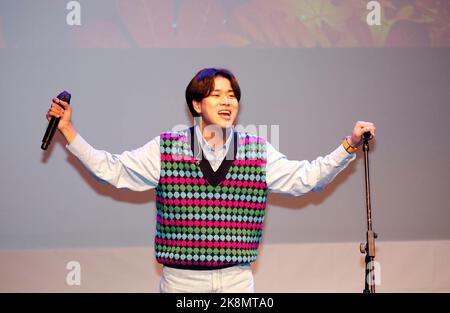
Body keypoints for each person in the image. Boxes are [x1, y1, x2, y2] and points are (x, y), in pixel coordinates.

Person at [46, 68, 376, 293]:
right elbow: (113, 170)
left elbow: (306, 179)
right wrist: (69, 132)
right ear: (196, 104)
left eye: (231, 95)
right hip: (182, 283)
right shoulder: (168, 148)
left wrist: (347, 145)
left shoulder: (256, 150)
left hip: (237, 281)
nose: (227, 101)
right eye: (216, 95)